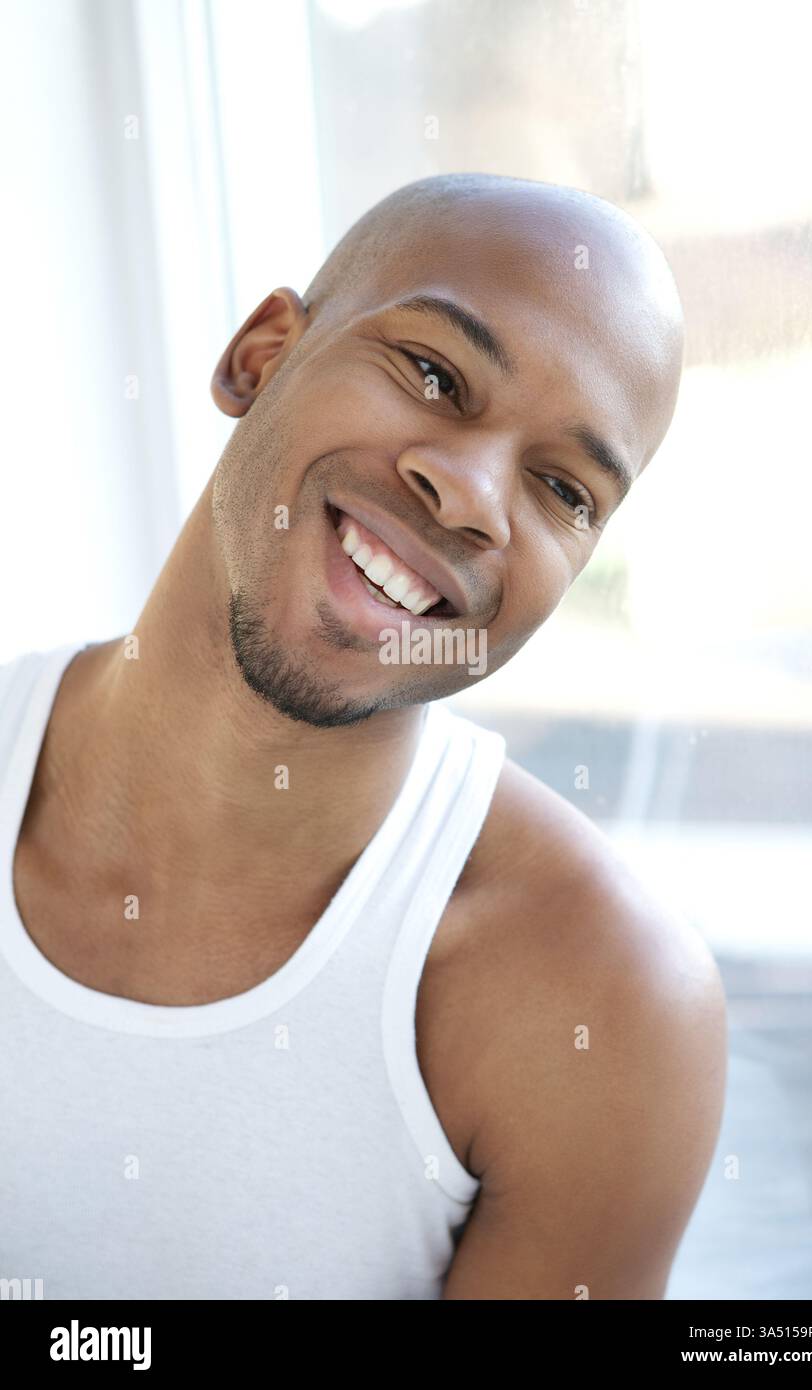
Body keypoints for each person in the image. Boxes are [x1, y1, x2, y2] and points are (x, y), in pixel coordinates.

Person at [0, 172, 726, 1300]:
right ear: (261, 354)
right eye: (434, 374)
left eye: (561, 487)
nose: (472, 495)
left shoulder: (603, 1004)